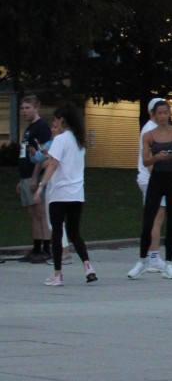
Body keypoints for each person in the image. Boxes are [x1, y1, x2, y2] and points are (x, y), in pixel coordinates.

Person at [37, 103, 96, 287]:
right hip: (77, 194)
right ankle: (88, 266)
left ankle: (58, 274)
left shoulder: (60, 139)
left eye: (55, 120)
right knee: (74, 232)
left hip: (60, 193)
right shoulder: (79, 141)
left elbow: (53, 164)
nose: (53, 124)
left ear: (62, 120)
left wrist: (41, 185)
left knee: (57, 232)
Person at [130, 99, 172, 280]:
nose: (163, 116)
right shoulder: (149, 134)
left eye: (165, 112)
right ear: (154, 115)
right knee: (148, 220)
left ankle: (169, 263)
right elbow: (145, 160)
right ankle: (142, 260)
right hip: (156, 178)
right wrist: (156, 158)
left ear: (170, 114)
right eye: (159, 113)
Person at [16, 94, 52, 263]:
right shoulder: (29, 128)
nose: (24, 111)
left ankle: (47, 248)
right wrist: (22, 179)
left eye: (28, 108)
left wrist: (34, 177)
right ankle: (36, 247)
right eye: (22, 108)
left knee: (40, 211)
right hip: (25, 175)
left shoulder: (41, 127)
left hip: (34, 176)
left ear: (36, 108)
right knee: (32, 212)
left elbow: (43, 154)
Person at [134, 99, 166, 274]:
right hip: (151, 179)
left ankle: (150, 256)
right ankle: (153, 257)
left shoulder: (151, 129)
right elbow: (150, 159)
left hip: (148, 179)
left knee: (154, 218)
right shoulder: (151, 130)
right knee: (156, 219)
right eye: (160, 112)